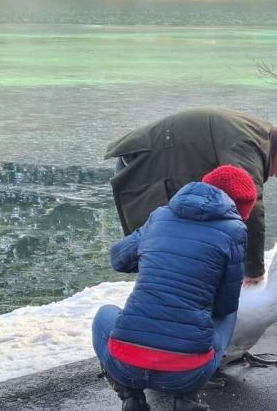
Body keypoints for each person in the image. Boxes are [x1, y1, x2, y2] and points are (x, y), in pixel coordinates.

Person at [92, 165, 255, 411]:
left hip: (125, 364)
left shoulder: (160, 215)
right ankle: (186, 398)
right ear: (238, 209)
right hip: (187, 371)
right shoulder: (234, 231)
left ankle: (130, 395)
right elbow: (225, 305)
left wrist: (159, 259)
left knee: (105, 313)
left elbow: (118, 258)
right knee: (228, 313)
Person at [105, 107, 277, 286]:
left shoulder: (262, 136)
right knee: (158, 253)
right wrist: (254, 271)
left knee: (175, 252)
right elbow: (252, 206)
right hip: (146, 163)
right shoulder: (247, 144)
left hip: (168, 163)